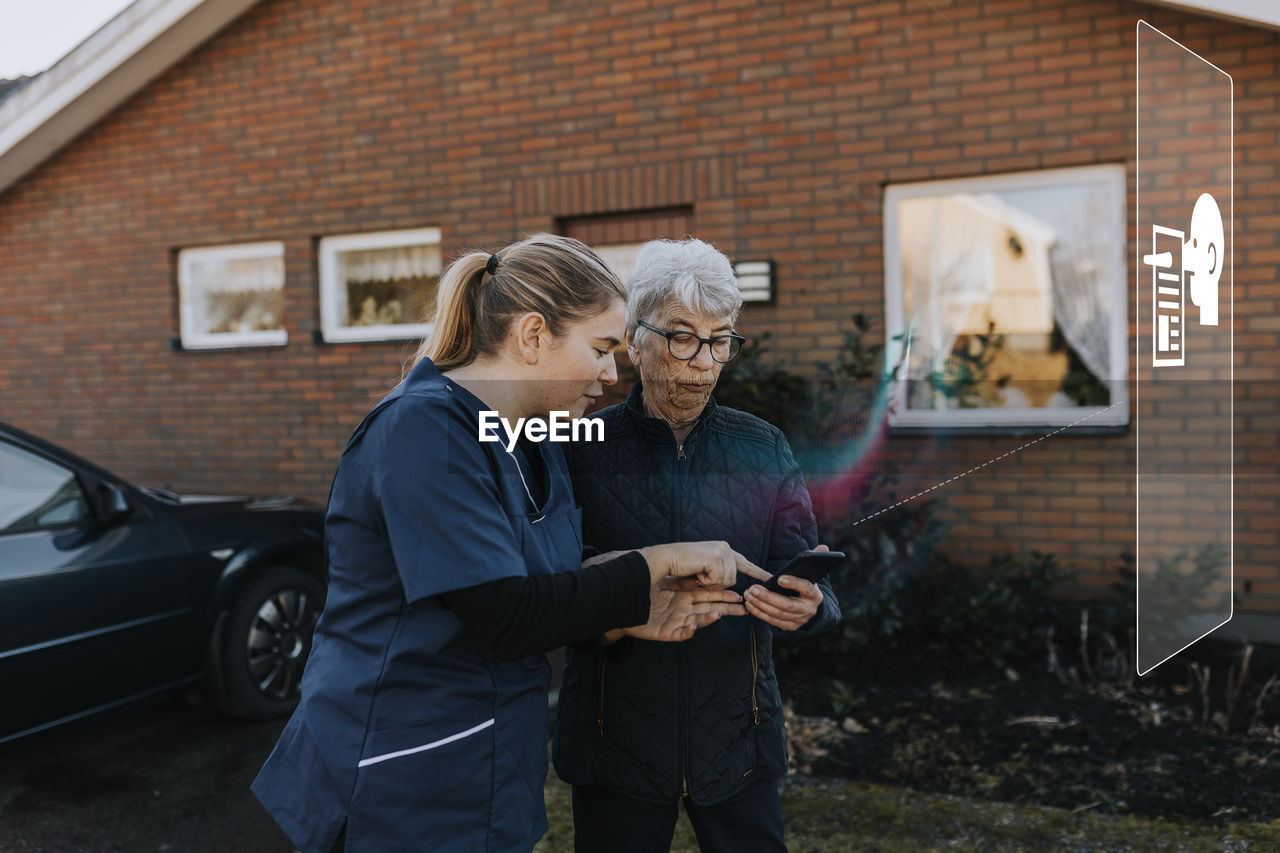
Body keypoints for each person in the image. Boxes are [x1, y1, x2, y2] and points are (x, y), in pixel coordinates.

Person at [251, 233, 768, 853]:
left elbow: (545, 579)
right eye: (602, 348)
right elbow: (504, 614)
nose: (613, 371)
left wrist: (627, 611)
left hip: (490, 772)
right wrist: (647, 567)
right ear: (531, 337)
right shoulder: (422, 430)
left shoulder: (530, 433)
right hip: (396, 778)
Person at [553, 238, 842, 852]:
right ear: (634, 339)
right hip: (615, 743)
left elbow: (811, 576)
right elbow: (546, 593)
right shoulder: (576, 444)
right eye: (683, 337)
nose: (703, 362)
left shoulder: (762, 447)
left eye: (720, 339)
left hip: (739, 743)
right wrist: (616, 612)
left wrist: (813, 608)